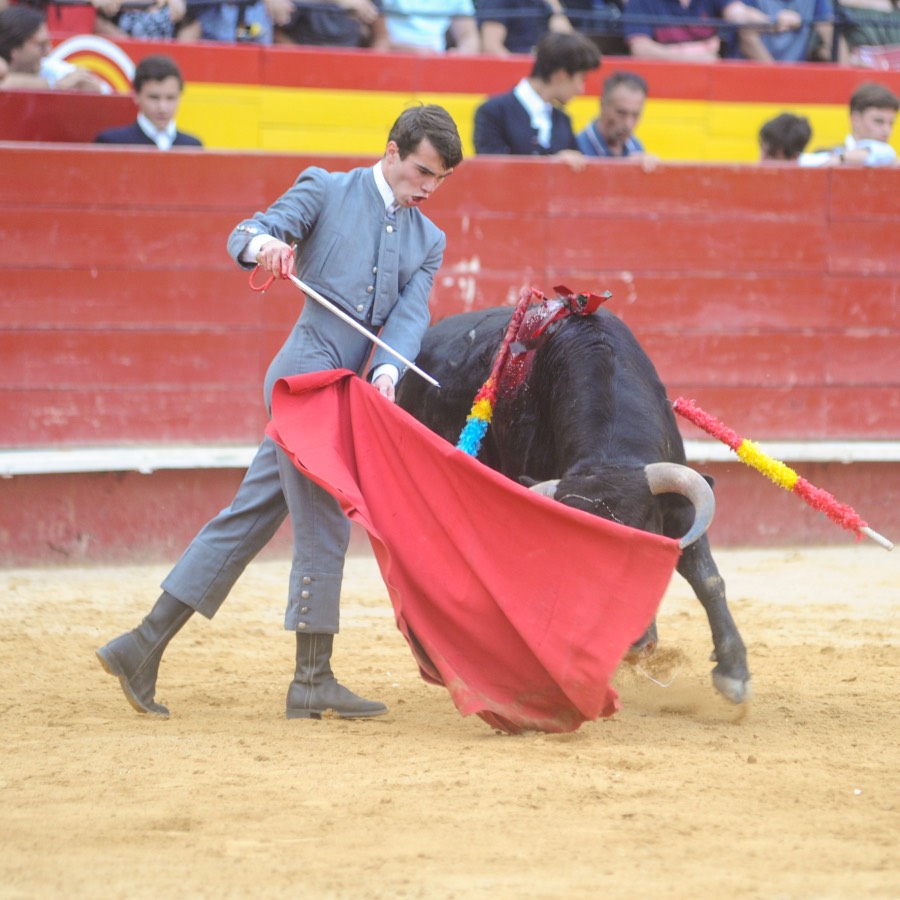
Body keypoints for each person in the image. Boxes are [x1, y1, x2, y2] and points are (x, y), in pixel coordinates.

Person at [95, 104, 464, 721]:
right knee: (324, 519)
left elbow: (409, 316)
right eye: (422, 171)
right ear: (392, 151)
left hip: (344, 387)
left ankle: (141, 646)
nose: (428, 187)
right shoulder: (327, 188)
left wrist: (386, 372)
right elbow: (249, 231)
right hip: (302, 377)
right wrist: (266, 245)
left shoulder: (429, 240)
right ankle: (311, 679)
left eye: (440, 179)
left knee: (248, 516)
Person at [473, 31, 600, 163]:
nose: (581, 90)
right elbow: (492, 169)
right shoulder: (493, 112)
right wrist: (552, 163)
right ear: (562, 74)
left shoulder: (563, 121)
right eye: (581, 79)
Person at [622, 0, 797, 62]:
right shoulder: (641, 2)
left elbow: (738, 14)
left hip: (711, 80)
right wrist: (693, 58)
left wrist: (772, 23)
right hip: (666, 83)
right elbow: (640, 48)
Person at [94, 55, 203, 148]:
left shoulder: (193, 146)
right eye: (154, 97)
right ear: (137, 96)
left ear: (180, 97)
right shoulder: (112, 143)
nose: (162, 107)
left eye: (170, 98)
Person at [0, 4, 106, 91]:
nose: (47, 52)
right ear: (14, 50)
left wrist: (90, 86)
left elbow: (100, 89)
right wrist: (56, 85)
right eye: (41, 45)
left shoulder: (50, 68)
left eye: (48, 43)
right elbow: (5, 83)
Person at [799, 81, 898, 167]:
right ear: (855, 120)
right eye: (878, 121)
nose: (887, 130)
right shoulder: (826, 154)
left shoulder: (888, 156)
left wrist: (841, 158)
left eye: (891, 123)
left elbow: (883, 153)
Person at [576, 70, 651, 159]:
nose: (628, 124)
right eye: (621, 113)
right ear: (603, 105)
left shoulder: (636, 148)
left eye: (635, 115)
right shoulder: (577, 148)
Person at [737, 0, 835, 61]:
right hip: (753, 76)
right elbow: (745, 33)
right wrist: (772, 24)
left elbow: (830, 32)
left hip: (797, 75)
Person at [372, 0, 479, 53]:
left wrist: (460, 54)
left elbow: (469, 36)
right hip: (392, 57)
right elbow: (379, 40)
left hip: (437, 64)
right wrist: (415, 51)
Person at [477, 0, 577, 55]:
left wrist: (555, 7)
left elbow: (567, 44)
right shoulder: (496, 2)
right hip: (517, 67)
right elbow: (491, 46)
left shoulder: (548, 3)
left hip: (546, 68)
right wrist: (521, 68)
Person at [275, 0, 383, 46]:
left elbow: (382, 37)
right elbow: (276, 34)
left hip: (351, 62)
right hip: (302, 59)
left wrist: (371, 68)